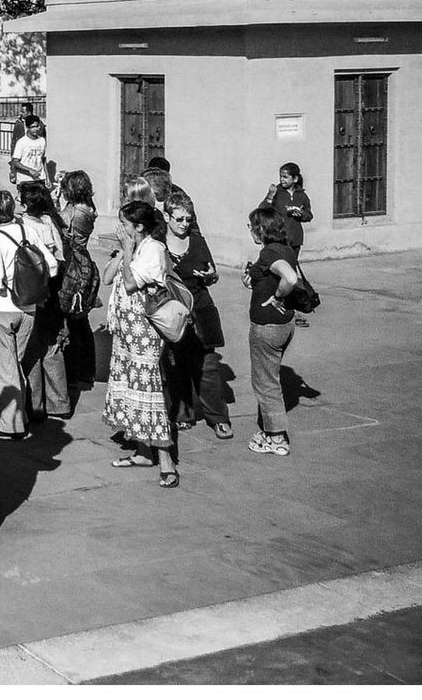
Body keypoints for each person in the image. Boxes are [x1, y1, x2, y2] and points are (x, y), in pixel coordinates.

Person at [102, 201, 180, 488]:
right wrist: (124, 250)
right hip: (125, 331)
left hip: (144, 333)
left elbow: (132, 283)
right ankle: (143, 451)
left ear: (139, 226)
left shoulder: (153, 250)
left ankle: (166, 459)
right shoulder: (134, 248)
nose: (119, 228)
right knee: (129, 387)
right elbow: (108, 278)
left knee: (149, 390)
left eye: (124, 223)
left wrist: (127, 254)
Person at [161, 191, 232, 439]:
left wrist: (210, 276)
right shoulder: (158, 244)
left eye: (188, 219)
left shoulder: (198, 241)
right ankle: (182, 414)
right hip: (171, 312)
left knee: (208, 367)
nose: (184, 224)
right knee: (174, 365)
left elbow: (212, 274)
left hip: (200, 310)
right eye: (179, 219)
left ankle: (218, 418)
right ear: (167, 216)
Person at [243, 207, 302, 456]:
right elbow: (279, 274)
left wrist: (277, 297)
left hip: (267, 326)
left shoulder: (269, 252)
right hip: (285, 324)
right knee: (271, 377)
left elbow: (289, 278)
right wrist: (255, 281)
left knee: (266, 383)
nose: (250, 231)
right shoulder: (286, 249)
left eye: (252, 226)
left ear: (262, 229)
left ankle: (277, 438)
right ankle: (269, 431)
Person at [0, 189, 35, 439]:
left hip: (2, 308)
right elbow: (51, 266)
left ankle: (11, 425)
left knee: (3, 368)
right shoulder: (27, 231)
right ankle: (19, 413)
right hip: (29, 307)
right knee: (14, 364)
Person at [18, 180, 69, 421]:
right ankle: (59, 402)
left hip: (34, 292)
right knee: (53, 345)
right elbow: (60, 255)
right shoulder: (50, 222)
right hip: (54, 289)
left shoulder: (23, 226)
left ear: (26, 204)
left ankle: (35, 405)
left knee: (32, 348)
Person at [56, 169, 99, 387]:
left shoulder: (73, 213)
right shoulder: (89, 208)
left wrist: (54, 201)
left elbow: (56, 226)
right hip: (84, 261)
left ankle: (74, 371)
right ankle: (87, 370)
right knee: (81, 320)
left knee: (70, 319)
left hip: (72, 263)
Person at [261, 163, 313, 327]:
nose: (282, 180)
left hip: (295, 240)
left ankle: (291, 309)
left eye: (285, 177)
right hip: (278, 240)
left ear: (295, 178)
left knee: (290, 275)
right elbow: (262, 210)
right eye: (280, 176)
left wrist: (301, 213)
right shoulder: (277, 192)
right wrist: (270, 196)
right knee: (280, 274)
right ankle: (280, 305)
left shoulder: (301, 196)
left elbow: (309, 215)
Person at [10, 115, 48, 186]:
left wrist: (47, 178)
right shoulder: (21, 142)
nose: (36, 129)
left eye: (37, 126)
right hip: (25, 180)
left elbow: (43, 160)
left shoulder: (42, 140)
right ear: (27, 128)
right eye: (33, 127)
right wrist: (30, 170)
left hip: (39, 179)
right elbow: (15, 162)